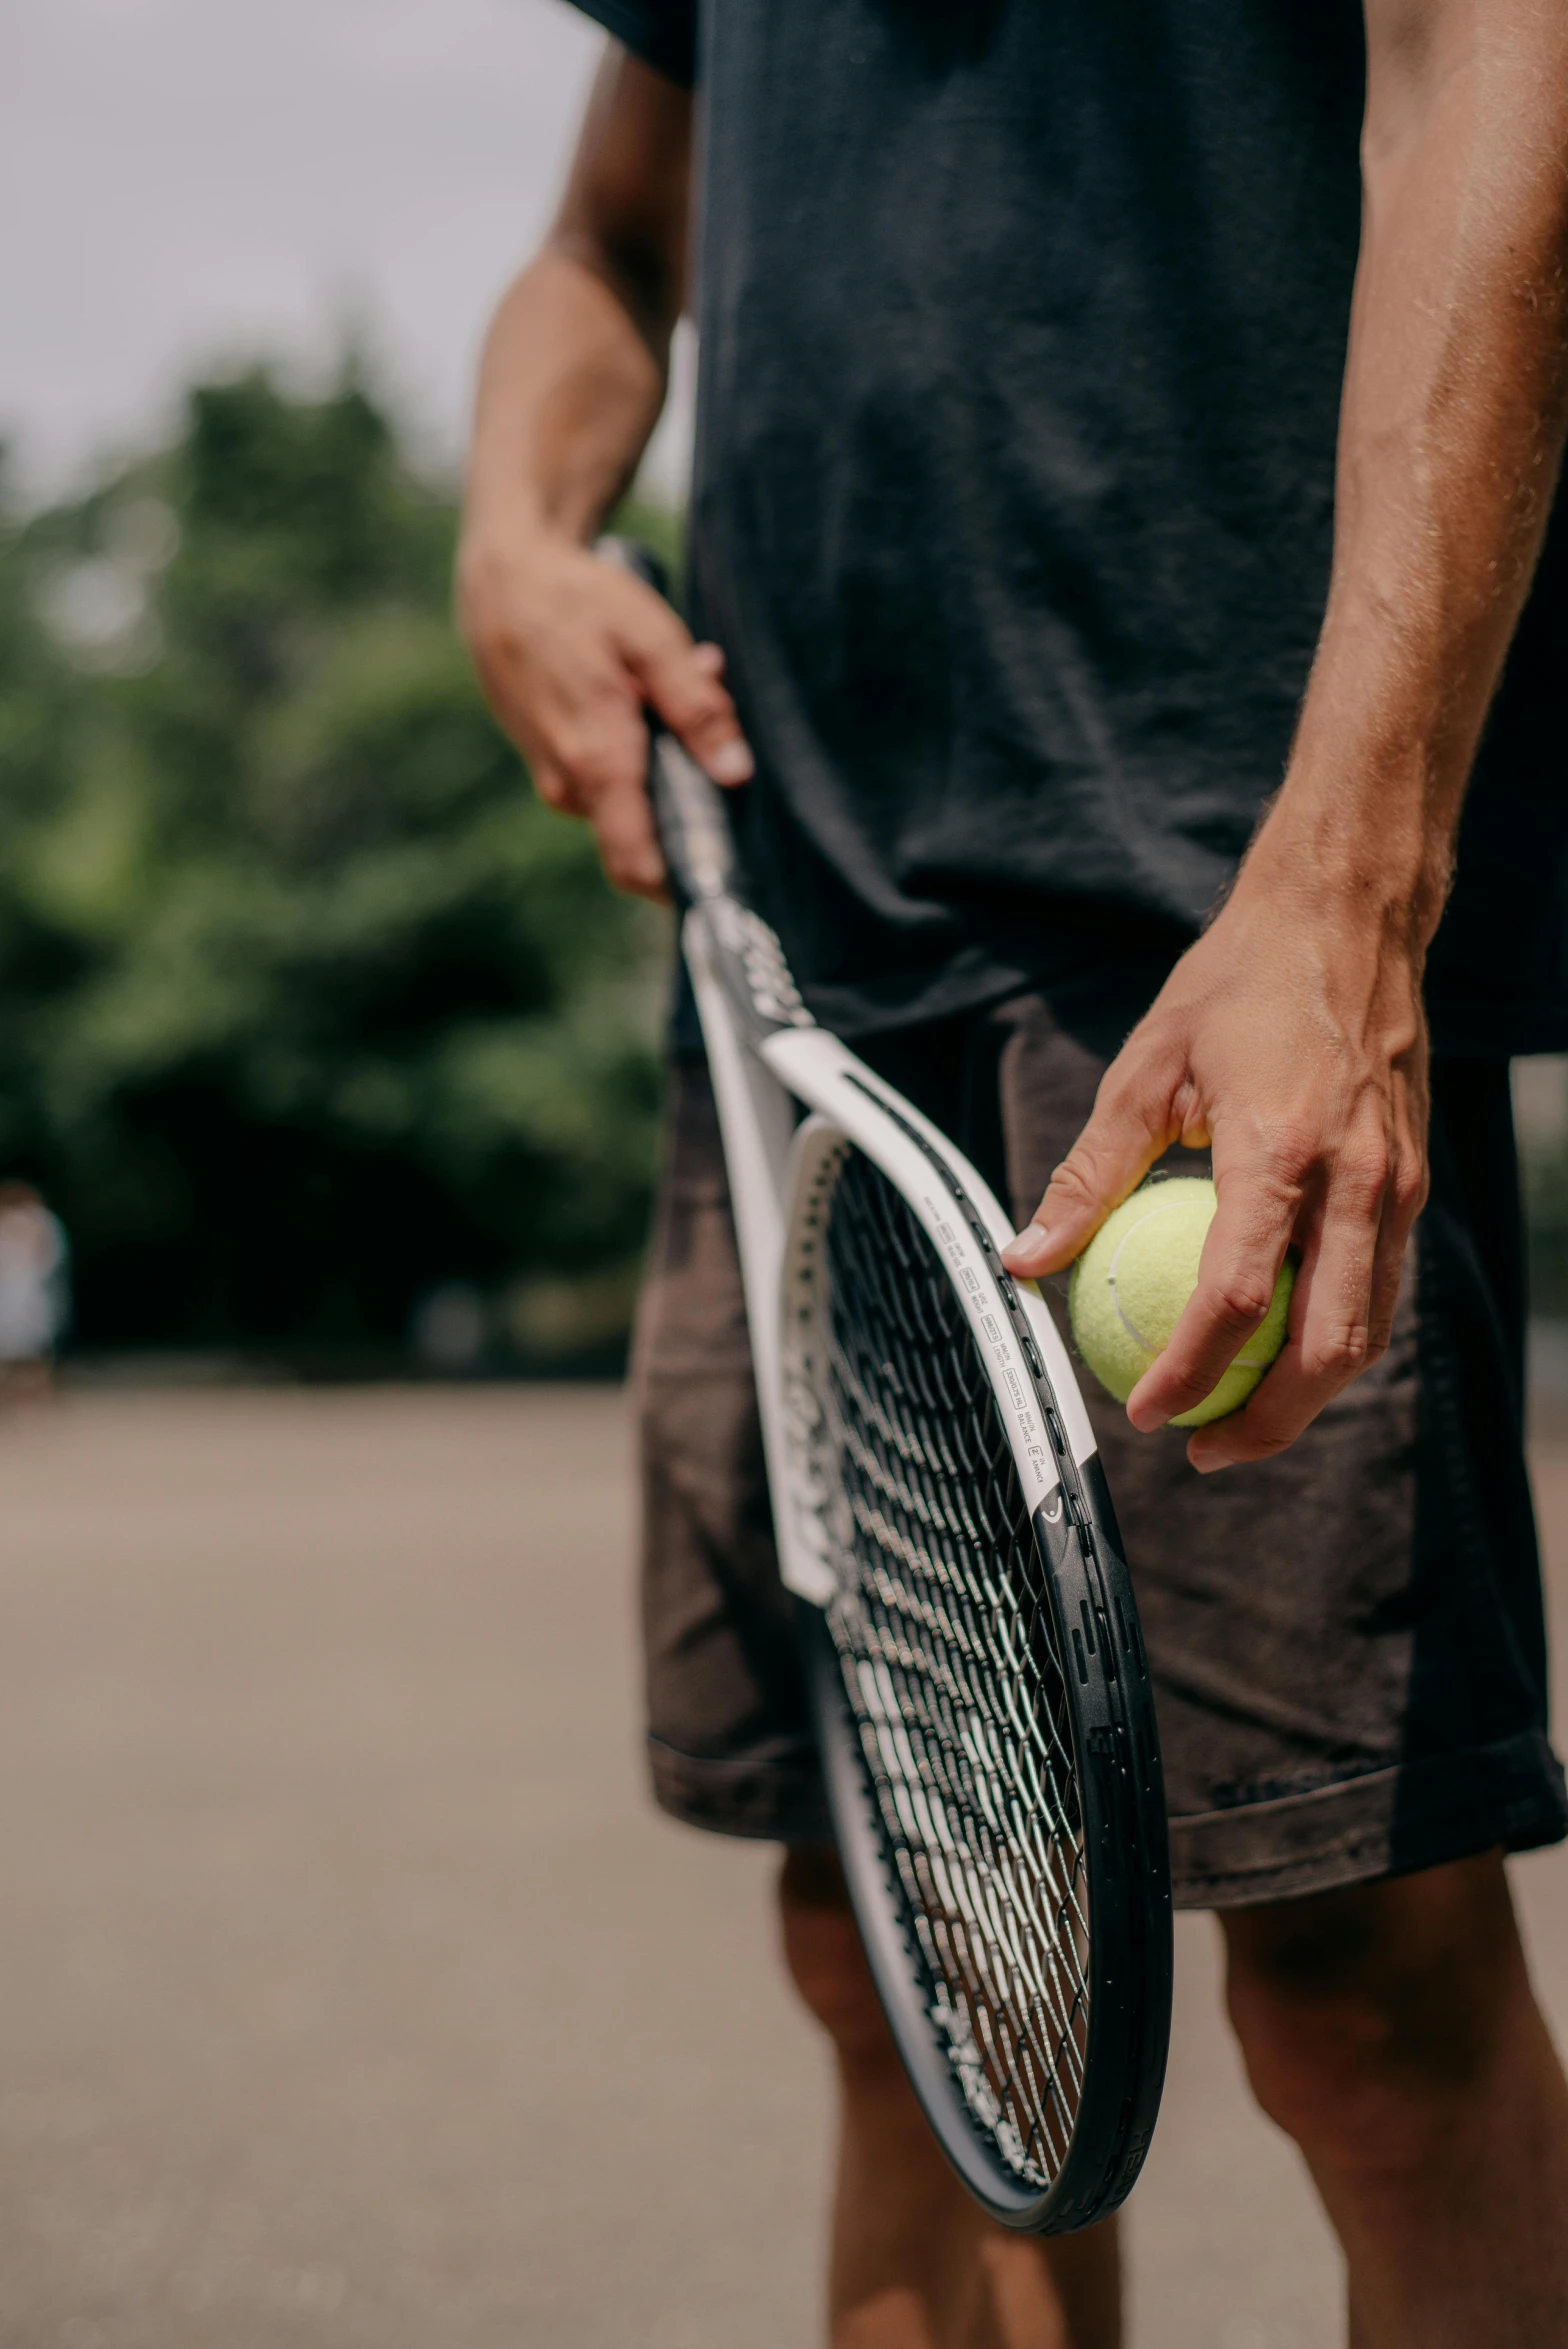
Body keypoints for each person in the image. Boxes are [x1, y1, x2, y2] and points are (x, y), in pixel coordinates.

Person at [459, 2, 1568, 2340]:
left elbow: (1495, 65)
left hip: (1216, 903)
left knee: (1368, 1984)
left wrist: (1351, 875)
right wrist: (513, 527)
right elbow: (603, 232)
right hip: (796, 941)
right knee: (913, 1972)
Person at [0, 1182, 69, 1403]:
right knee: (29, 1356)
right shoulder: (41, 1222)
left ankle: (32, 1400)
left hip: (28, 1300)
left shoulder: (39, 1222)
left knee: (30, 1356)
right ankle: (30, 1401)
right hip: (23, 1300)